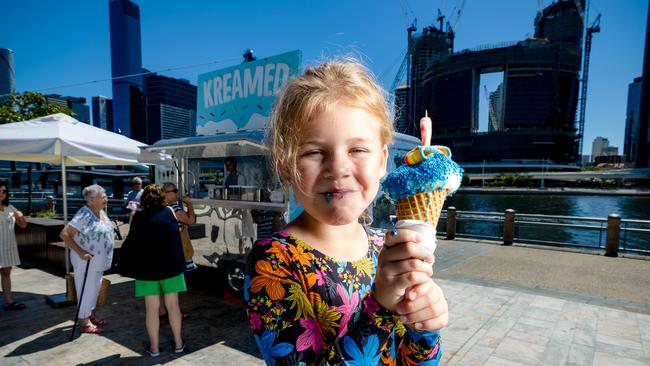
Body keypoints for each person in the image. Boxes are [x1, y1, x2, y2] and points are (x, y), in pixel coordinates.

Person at [244, 60, 448, 364]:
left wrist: (425, 329)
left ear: (382, 161)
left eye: (357, 150)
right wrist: (379, 303)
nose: (338, 168)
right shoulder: (273, 262)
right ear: (286, 166)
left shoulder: (385, 245)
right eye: (314, 152)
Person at [122, 184, 186, 356]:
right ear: (162, 197)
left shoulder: (137, 216)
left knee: (151, 309)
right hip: (171, 266)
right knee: (173, 306)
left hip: (146, 269)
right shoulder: (170, 212)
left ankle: (154, 348)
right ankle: (179, 344)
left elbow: (133, 240)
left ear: (144, 199)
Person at [60, 184, 115, 334]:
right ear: (91, 200)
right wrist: (80, 251)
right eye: (102, 196)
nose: (106, 198)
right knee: (86, 290)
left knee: (94, 290)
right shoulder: (84, 214)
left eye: (105, 196)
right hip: (86, 262)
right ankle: (84, 321)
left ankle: (89, 314)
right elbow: (65, 234)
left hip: (98, 262)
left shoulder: (101, 212)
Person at [0, 181, 28, 311]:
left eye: (4, 191)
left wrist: (21, 216)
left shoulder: (10, 207)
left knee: (6, 272)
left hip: (8, 245)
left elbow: (23, 225)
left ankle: (9, 302)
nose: (1, 194)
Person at [163, 182, 197, 272]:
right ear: (167, 193)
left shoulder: (162, 206)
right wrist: (189, 204)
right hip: (179, 252)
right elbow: (191, 221)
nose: (177, 193)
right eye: (175, 190)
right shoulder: (174, 208)